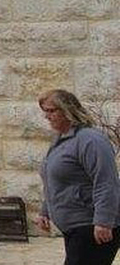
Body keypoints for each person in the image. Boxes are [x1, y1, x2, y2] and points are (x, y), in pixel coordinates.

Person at [37, 89, 120, 265]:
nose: (47, 116)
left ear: (67, 110)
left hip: (92, 226)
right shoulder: (61, 140)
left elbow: (106, 182)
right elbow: (53, 180)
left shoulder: (91, 140)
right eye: (45, 111)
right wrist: (46, 210)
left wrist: (104, 222)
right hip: (74, 228)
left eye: (51, 111)